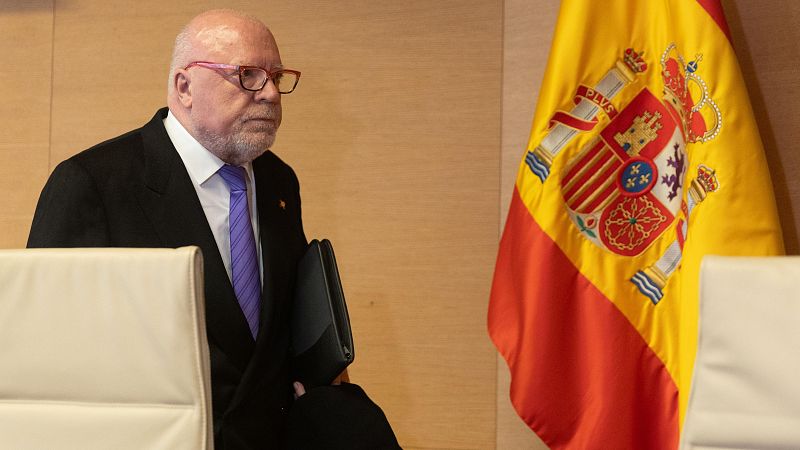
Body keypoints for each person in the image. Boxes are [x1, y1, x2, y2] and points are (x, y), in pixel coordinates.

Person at [27, 9, 308, 449]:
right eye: (248, 75)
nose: (271, 93)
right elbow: (47, 353)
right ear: (184, 86)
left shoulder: (278, 181)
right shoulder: (93, 183)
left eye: (276, 76)